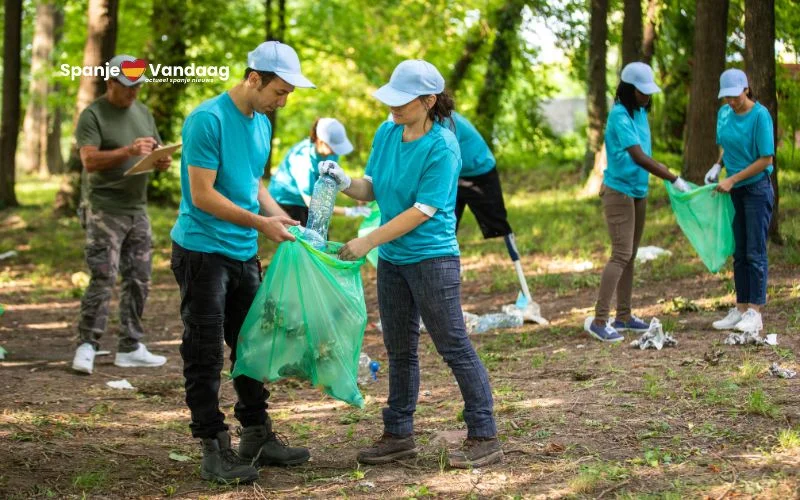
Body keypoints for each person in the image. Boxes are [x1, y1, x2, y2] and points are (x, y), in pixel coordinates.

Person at [322, 59, 503, 469]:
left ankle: (484, 434)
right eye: (392, 99)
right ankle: (399, 433)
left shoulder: (443, 145)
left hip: (432, 260)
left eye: (403, 101)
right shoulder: (387, 133)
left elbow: (422, 210)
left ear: (428, 100)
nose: (393, 108)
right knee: (399, 349)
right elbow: (373, 189)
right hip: (393, 260)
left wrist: (367, 240)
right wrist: (343, 180)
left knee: (453, 345)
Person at [170, 41, 313, 484]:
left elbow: (253, 183)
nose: (283, 100)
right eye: (280, 91)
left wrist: (275, 215)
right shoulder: (206, 120)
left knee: (253, 344)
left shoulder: (261, 123)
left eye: (288, 93)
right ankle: (214, 446)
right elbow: (203, 195)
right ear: (254, 78)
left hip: (242, 252)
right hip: (202, 251)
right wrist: (259, 222)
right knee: (205, 349)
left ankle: (257, 433)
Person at [71, 54, 170, 375]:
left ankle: (130, 346)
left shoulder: (142, 112)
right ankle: (87, 344)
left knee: (139, 277)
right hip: (104, 208)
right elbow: (89, 161)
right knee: (103, 275)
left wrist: (160, 160)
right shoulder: (93, 115)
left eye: (139, 85)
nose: (134, 92)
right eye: (128, 86)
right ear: (110, 82)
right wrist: (127, 151)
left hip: (136, 209)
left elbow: (154, 149)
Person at [584, 62, 690, 343]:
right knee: (620, 254)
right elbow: (639, 156)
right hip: (618, 192)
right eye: (642, 92)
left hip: (638, 190)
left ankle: (624, 317)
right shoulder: (619, 116)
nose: (647, 96)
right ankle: (599, 320)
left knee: (630, 253)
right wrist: (672, 177)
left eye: (648, 91)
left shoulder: (641, 111)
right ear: (629, 90)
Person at [708, 68, 774, 333]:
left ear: (746, 89)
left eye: (735, 96)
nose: (731, 102)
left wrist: (733, 179)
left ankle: (755, 313)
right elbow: (728, 145)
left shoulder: (760, 115)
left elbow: (766, 159)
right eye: (727, 98)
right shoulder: (724, 114)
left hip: (756, 189)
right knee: (739, 251)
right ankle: (741, 308)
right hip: (733, 190)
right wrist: (717, 165)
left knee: (755, 251)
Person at [448, 111, 533, 303]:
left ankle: (527, 294)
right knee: (444, 229)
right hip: (453, 175)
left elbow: (443, 153)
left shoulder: (447, 121)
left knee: (498, 223)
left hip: (480, 173)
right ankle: (439, 292)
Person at [268, 117, 354, 226]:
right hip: (288, 200)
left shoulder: (332, 153)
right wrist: (349, 211)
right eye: (333, 147)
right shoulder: (303, 158)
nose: (335, 151)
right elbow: (312, 204)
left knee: (320, 235)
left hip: (309, 198)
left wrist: (355, 193)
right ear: (320, 141)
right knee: (300, 239)